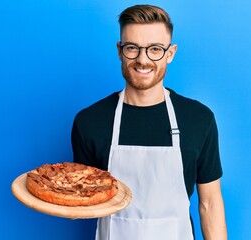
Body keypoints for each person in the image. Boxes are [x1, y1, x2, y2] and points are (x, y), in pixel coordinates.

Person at [71, 4, 227, 240]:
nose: (143, 60)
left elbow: (210, 204)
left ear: (170, 53)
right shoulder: (90, 121)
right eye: (132, 48)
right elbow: (80, 200)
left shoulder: (199, 119)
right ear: (119, 51)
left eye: (155, 49)